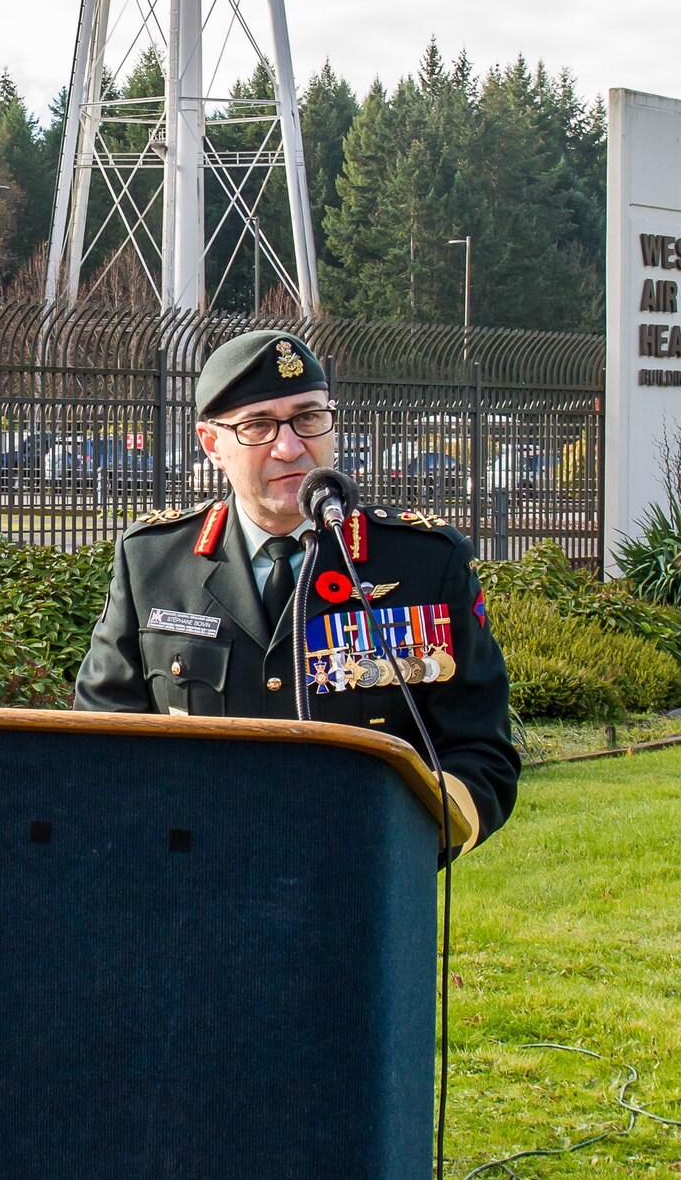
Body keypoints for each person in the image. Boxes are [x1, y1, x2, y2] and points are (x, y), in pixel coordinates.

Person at [73, 329, 520, 854]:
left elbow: (481, 755)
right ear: (212, 444)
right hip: (191, 886)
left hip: (359, 888)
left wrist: (402, 855)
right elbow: (100, 738)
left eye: (307, 418)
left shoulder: (425, 562)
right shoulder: (152, 560)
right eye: (258, 426)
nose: (290, 447)